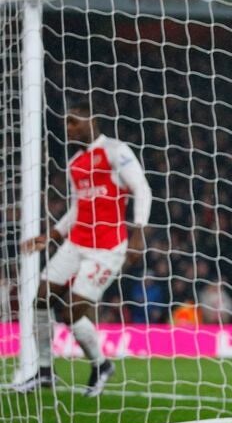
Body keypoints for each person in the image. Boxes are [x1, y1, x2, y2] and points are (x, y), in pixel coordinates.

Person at [16, 103, 151, 397]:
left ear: (92, 119)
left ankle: (101, 365)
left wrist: (138, 233)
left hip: (107, 247)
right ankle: (43, 371)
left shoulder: (116, 151)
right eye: (66, 124)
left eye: (73, 122)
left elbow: (141, 188)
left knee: (71, 311)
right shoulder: (76, 162)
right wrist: (51, 235)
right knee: (41, 299)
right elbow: (79, 207)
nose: (68, 128)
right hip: (76, 242)